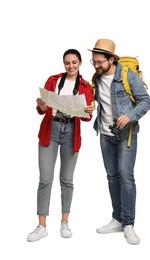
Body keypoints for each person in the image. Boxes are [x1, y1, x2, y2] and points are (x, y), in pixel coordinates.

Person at [88, 39, 150, 245]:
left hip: (126, 135)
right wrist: (89, 108)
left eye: (99, 62)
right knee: (112, 176)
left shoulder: (127, 76)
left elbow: (146, 101)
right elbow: (98, 102)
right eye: (93, 62)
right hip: (105, 134)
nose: (96, 65)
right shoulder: (96, 78)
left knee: (126, 176)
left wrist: (130, 116)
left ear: (110, 59)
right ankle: (117, 219)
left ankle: (129, 223)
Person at [27, 49, 94, 242]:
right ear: (63, 64)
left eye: (74, 62)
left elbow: (87, 116)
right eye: (67, 63)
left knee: (67, 179)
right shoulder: (53, 80)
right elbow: (42, 110)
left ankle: (64, 222)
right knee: (45, 179)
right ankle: (42, 225)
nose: (70, 66)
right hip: (52, 128)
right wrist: (41, 105)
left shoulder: (86, 86)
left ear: (80, 63)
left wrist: (88, 111)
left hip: (72, 132)